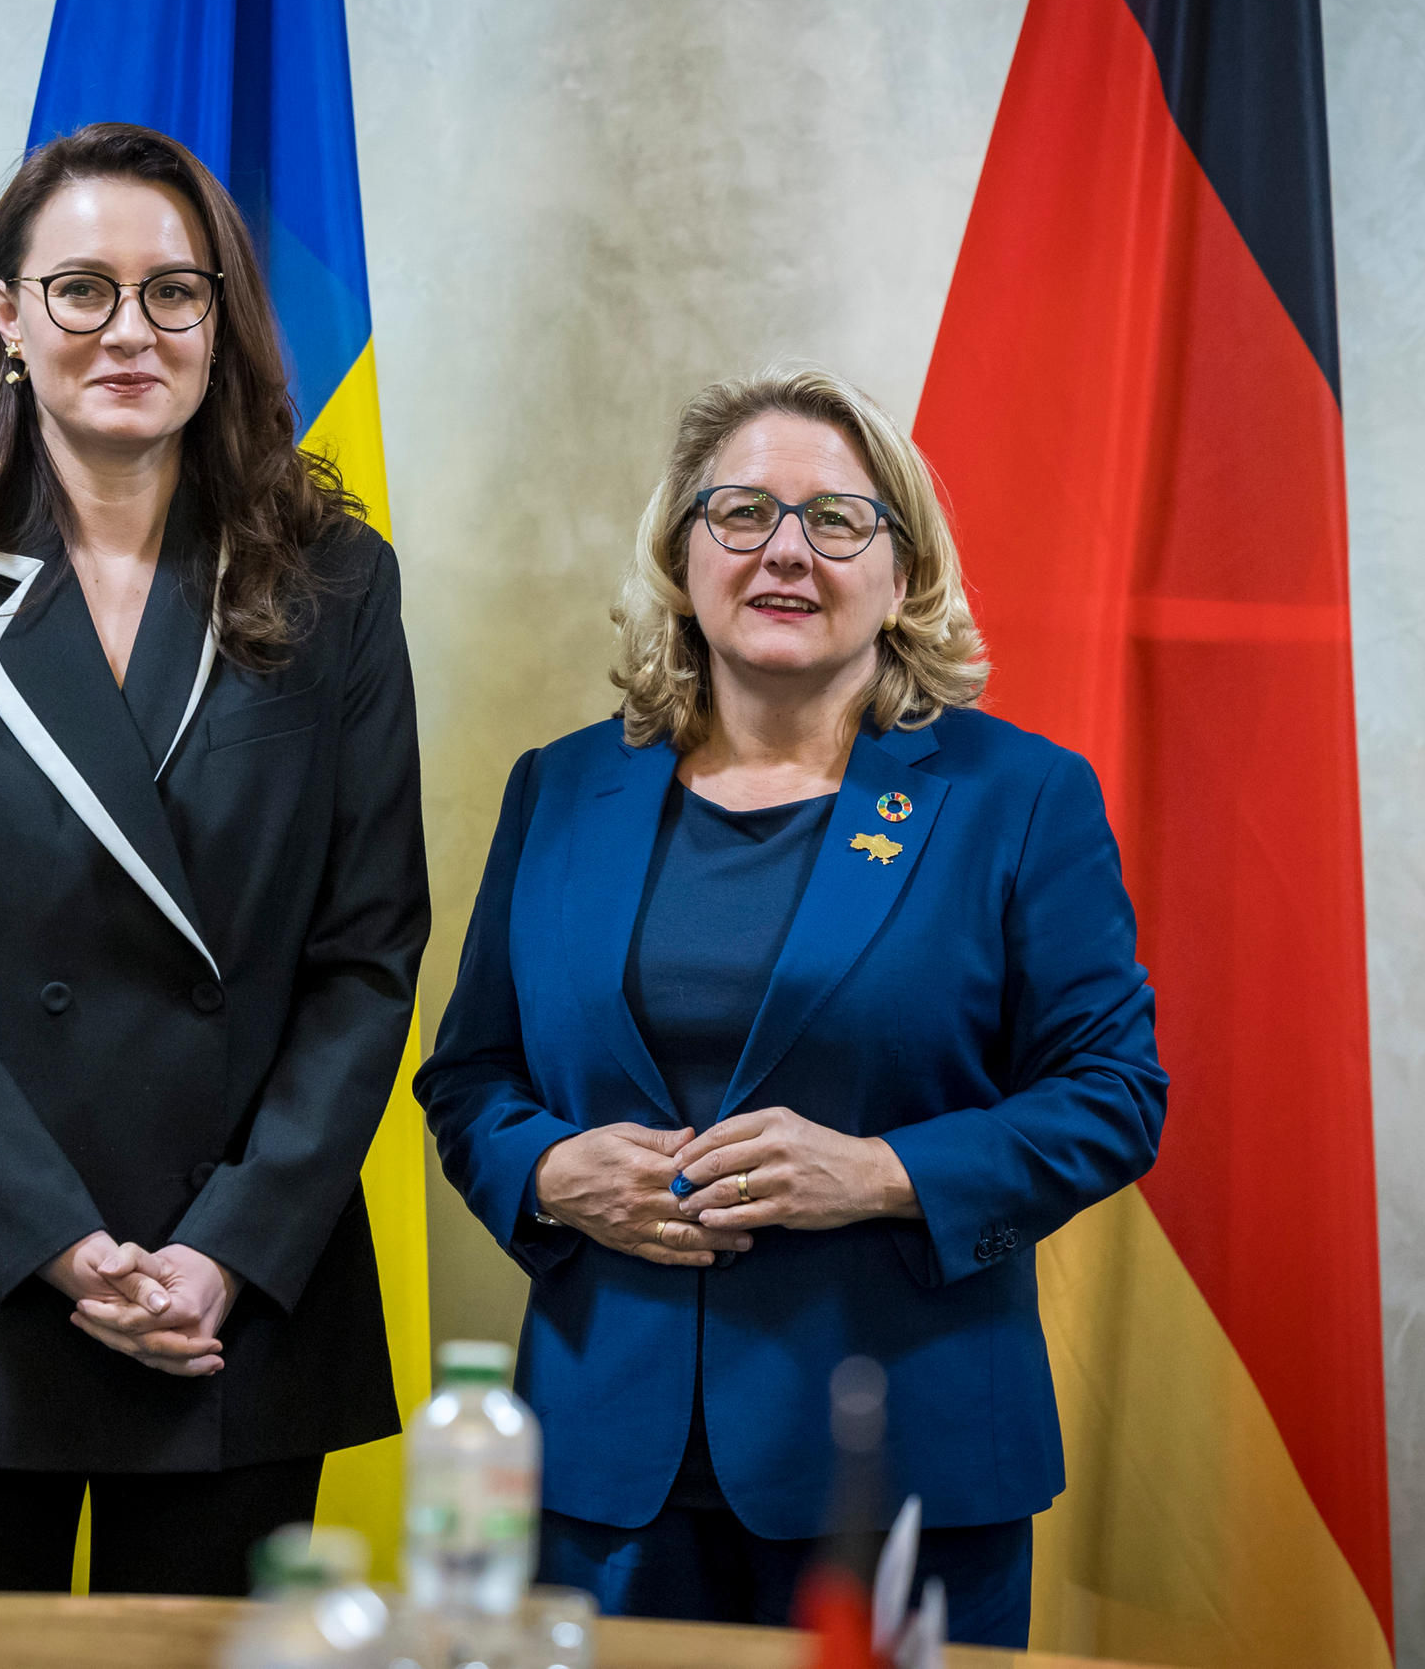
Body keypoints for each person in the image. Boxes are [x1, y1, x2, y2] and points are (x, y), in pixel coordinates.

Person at [0, 123, 428, 1597]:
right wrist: (65, 1243)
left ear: (222, 321)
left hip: (237, 1292)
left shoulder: (338, 582)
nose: (130, 330)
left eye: (173, 292)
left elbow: (367, 953)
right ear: (8, 317)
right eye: (82, 289)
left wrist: (225, 1250)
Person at [415, 366, 1166, 1643]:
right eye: (741, 513)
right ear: (682, 553)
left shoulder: (1018, 796)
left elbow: (1113, 1094)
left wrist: (879, 1172)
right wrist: (548, 1172)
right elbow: (471, 1074)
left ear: (903, 568)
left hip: (900, 1466)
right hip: (606, 1469)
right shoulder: (561, 787)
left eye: (835, 519)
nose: (785, 552)